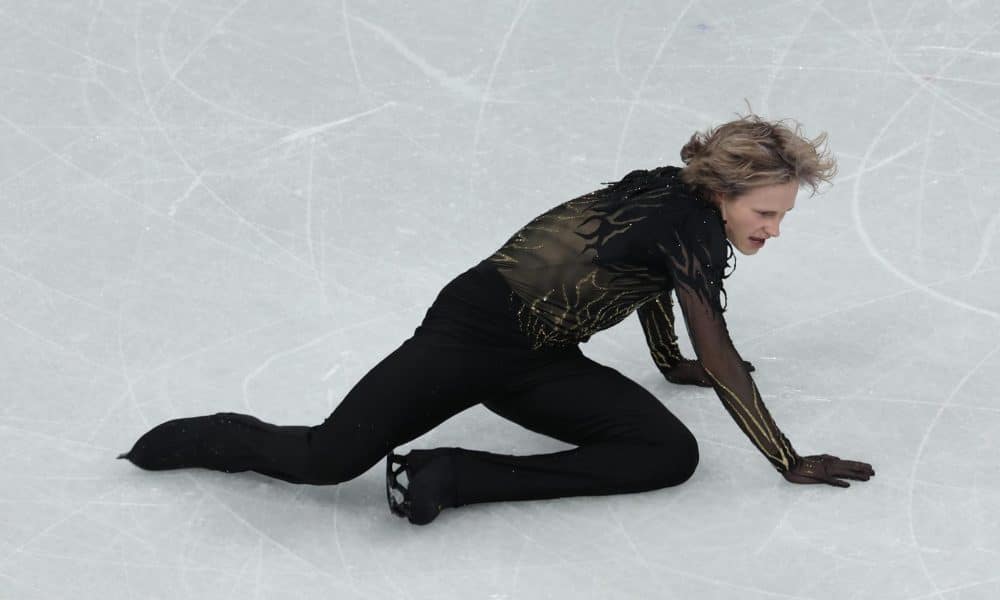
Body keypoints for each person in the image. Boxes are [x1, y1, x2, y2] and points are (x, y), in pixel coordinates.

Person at [118, 111, 876, 525]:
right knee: (325, 460)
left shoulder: (678, 196)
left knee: (666, 453)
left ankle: (450, 474)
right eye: (767, 212)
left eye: (783, 213)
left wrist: (666, 362)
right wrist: (787, 458)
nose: (775, 228)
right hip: (470, 335)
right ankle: (210, 435)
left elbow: (653, 280)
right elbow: (721, 352)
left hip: (540, 354)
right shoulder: (691, 226)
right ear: (724, 193)